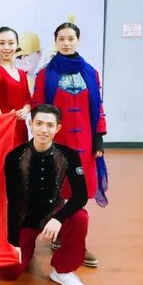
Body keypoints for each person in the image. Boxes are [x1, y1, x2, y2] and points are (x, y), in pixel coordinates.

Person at [32, 22, 107, 268]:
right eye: (61, 39)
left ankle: (76, 244)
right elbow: (38, 107)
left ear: (78, 40)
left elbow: (98, 106)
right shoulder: (46, 74)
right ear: (55, 41)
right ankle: (60, 233)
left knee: (79, 191)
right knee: (57, 190)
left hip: (84, 142)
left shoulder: (90, 73)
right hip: (56, 141)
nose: (66, 43)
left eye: (71, 38)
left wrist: (98, 138)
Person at [3, 104, 89, 285]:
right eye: (39, 123)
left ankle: (63, 271)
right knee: (10, 272)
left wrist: (58, 218)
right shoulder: (14, 157)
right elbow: (13, 202)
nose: (43, 130)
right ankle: (26, 248)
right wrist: (13, 242)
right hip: (25, 218)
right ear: (31, 124)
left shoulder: (69, 156)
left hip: (53, 214)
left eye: (50, 125)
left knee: (80, 218)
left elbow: (81, 195)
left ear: (57, 128)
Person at [0, 27, 32, 146]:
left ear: (17, 45)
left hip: (21, 129)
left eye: (11, 43)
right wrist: (3, 118)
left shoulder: (21, 73)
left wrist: (25, 110)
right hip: (4, 130)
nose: (6, 47)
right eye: (1, 43)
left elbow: (28, 99)